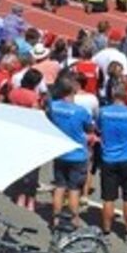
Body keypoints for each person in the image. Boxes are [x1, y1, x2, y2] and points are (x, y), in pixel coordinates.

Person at [46, 79, 95, 228]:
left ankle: (55, 219)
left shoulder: (53, 107)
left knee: (60, 187)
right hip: (77, 154)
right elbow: (90, 128)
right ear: (73, 92)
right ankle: (74, 220)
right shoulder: (81, 111)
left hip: (60, 152)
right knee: (74, 189)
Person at [98, 85, 127, 243]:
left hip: (108, 159)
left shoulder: (103, 112)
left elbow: (98, 128)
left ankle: (106, 231)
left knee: (108, 198)